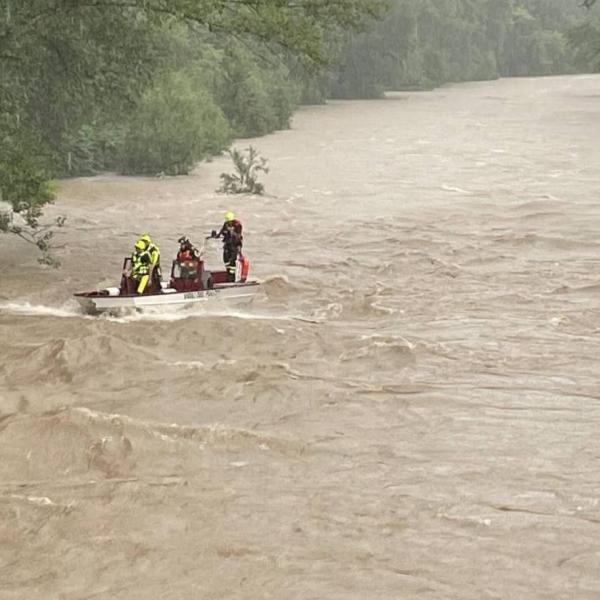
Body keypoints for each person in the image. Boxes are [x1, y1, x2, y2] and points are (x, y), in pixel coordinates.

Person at [212, 211, 242, 281]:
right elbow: (221, 232)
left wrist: (232, 232)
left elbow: (239, 236)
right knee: (225, 259)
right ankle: (228, 273)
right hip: (227, 244)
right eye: (228, 222)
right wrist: (216, 235)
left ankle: (232, 278)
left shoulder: (237, 225)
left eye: (230, 222)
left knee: (232, 261)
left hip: (235, 245)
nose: (229, 223)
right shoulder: (226, 224)